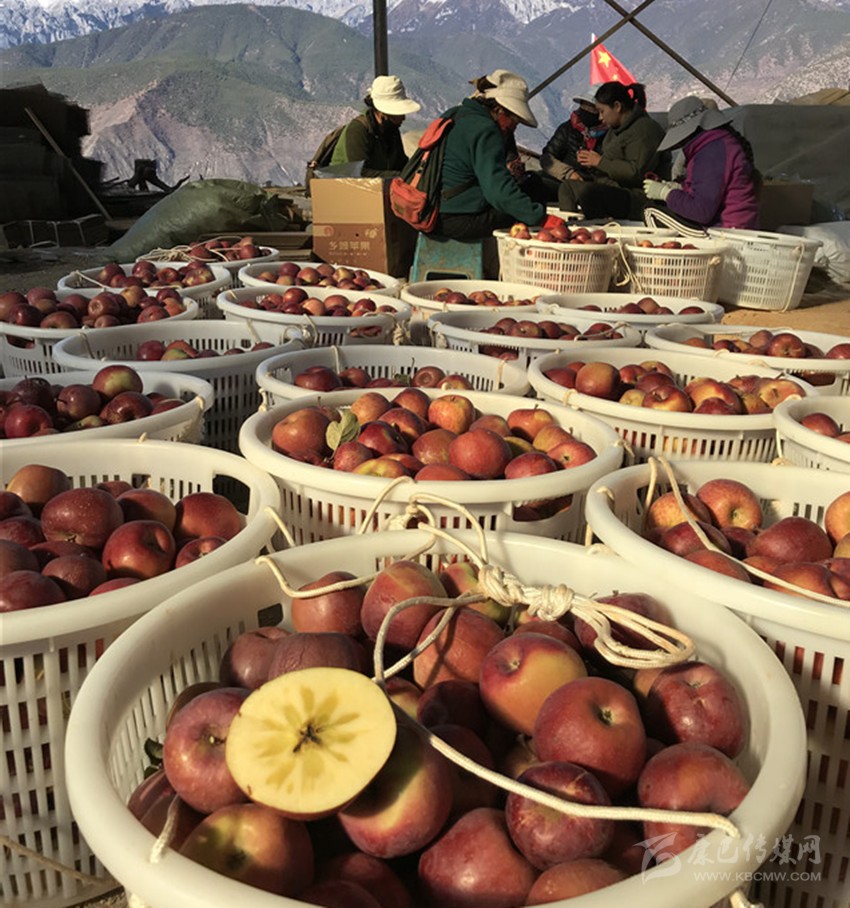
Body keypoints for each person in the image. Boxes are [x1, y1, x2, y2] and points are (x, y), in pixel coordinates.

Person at [434, 69, 546, 243]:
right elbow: (498, 192)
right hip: (458, 219)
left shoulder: (456, 114)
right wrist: (541, 218)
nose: (515, 126)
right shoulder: (486, 130)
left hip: (437, 210)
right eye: (514, 120)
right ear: (500, 110)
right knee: (533, 191)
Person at [642, 96, 760, 230]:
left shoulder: (711, 153)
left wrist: (666, 194)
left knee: (651, 212)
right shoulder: (718, 145)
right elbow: (708, 189)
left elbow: (701, 211)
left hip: (727, 228)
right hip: (738, 223)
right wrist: (679, 188)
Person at [556, 81, 667, 220]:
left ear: (617, 106)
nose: (600, 117)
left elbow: (636, 172)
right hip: (612, 186)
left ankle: (588, 228)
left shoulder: (644, 131)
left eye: (602, 111)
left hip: (636, 198)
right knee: (561, 186)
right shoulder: (616, 129)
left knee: (581, 191)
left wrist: (600, 162)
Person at [330, 75, 421, 178]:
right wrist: (400, 176)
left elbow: (401, 164)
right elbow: (360, 173)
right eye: (399, 114)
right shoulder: (357, 130)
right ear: (384, 113)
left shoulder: (392, 132)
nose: (403, 118)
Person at [539, 89, 608, 195]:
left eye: (592, 108)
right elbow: (547, 157)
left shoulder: (610, 136)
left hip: (593, 189)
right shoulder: (568, 129)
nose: (587, 110)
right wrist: (568, 173)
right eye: (584, 106)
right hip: (563, 181)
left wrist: (598, 163)